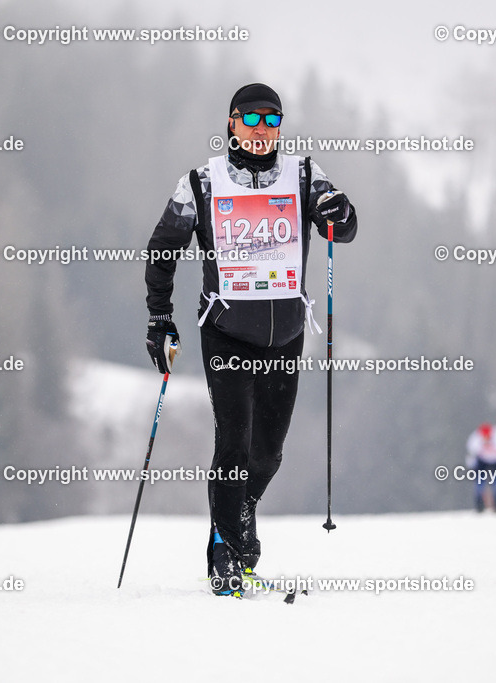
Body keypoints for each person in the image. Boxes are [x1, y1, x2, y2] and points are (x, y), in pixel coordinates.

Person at [144, 83, 358, 597]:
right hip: (226, 333)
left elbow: (344, 229)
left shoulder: (304, 174)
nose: (262, 131)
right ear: (232, 124)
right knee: (234, 442)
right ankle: (225, 547)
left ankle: (241, 512)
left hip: (284, 335)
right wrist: (160, 318)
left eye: (272, 121)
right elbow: (162, 249)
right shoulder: (201, 183)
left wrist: (340, 213)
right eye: (251, 120)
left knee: (268, 453)